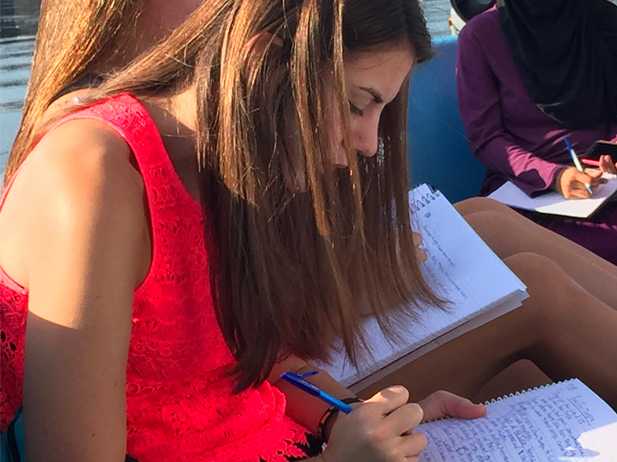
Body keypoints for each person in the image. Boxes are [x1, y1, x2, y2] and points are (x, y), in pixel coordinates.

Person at [1, 1, 617, 461]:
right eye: (356, 104)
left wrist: (348, 419)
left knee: (533, 387)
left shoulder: (227, 161)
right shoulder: (96, 180)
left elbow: (263, 360)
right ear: (263, 60)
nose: (369, 145)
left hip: (289, 435)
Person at [456, 0, 617, 265]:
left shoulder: (600, 16)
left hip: (605, 178)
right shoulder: (480, 36)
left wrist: (612, 149)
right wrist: (555, 176)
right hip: (529, 187)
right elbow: (485, 138)